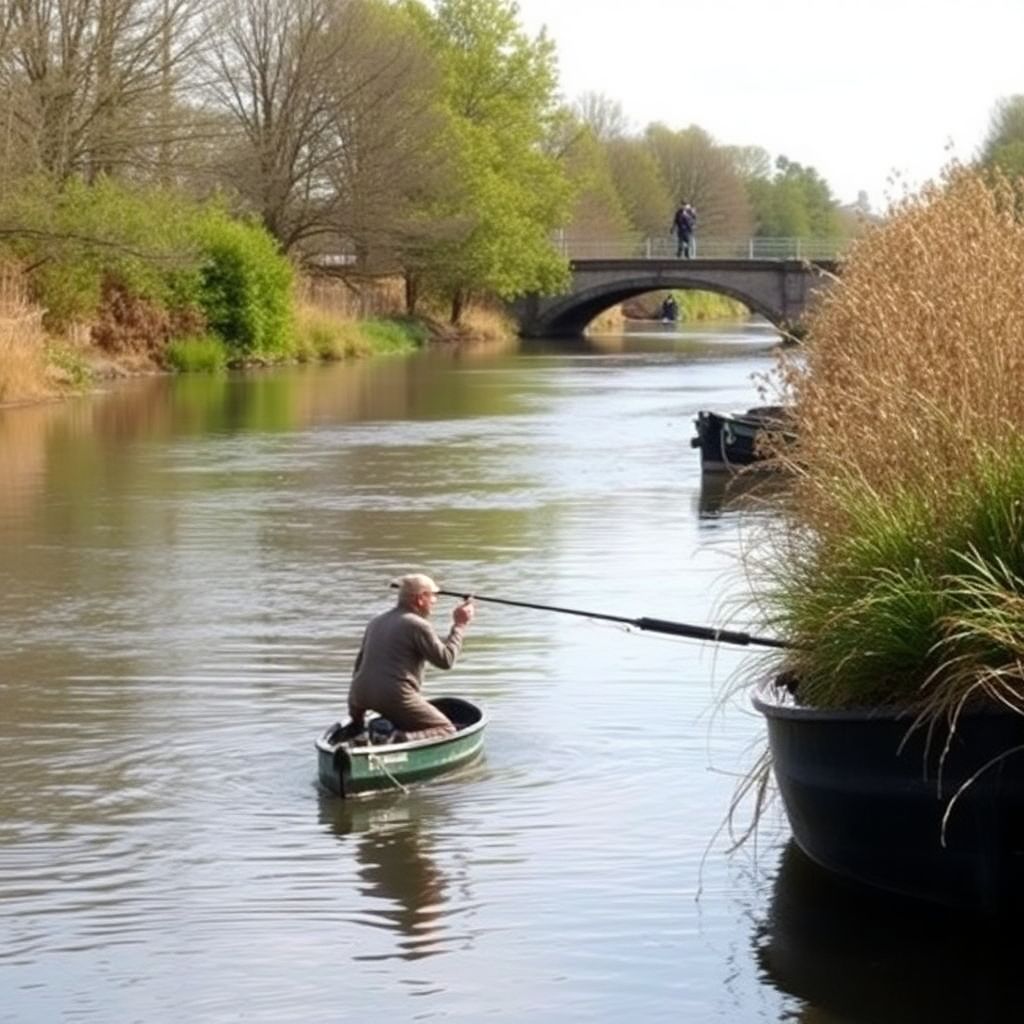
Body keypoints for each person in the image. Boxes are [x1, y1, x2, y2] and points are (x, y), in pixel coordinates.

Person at [348, 573, 474, 741]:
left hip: (359, 696)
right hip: (394, 696)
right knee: (447, 729)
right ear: (420, 599)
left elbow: (358, 666)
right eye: (433, 597)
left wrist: (357, 713)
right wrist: (460, 625)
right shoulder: (417, 624)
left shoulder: (376, 621)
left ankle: (357, 730)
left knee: (361, 726)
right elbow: (446, 660)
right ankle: (400, 738)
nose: (434, 603)